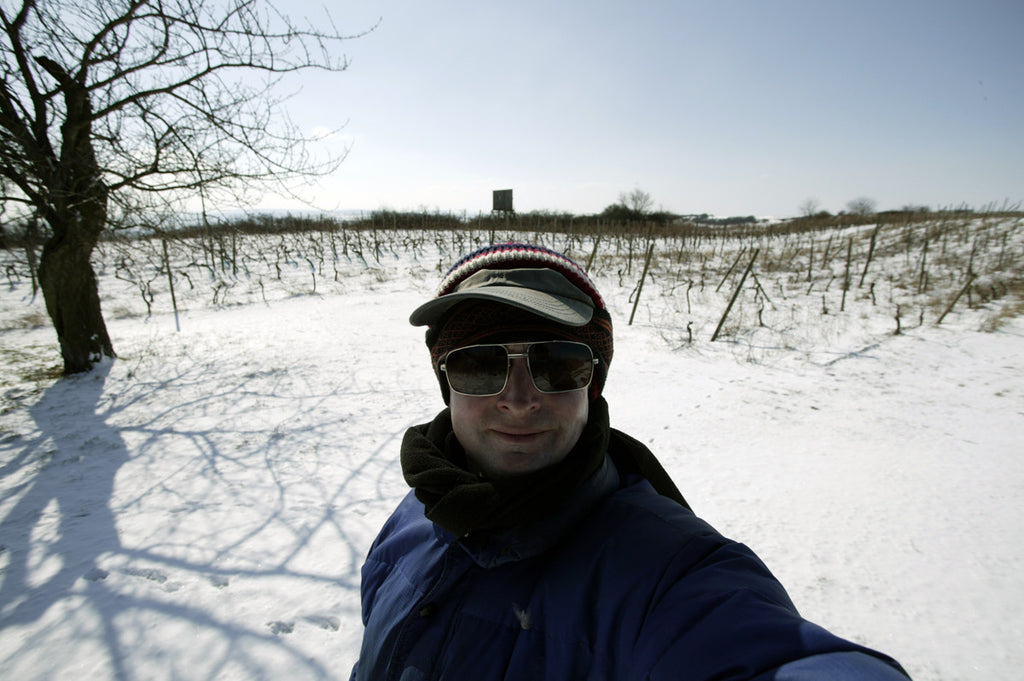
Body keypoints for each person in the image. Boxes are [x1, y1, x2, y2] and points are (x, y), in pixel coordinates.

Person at [350, 242, 911, 680]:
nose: (519, 399)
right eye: (478, 365)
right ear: (445, 382)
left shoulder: (665, 571)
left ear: (593, 385)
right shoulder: (415, 515)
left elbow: (758, 649)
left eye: (558, 364)